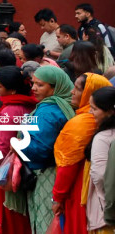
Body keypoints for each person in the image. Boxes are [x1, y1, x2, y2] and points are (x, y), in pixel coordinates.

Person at [52, 73, 112, 234]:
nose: (72, 92)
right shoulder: (97, 122)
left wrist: (58, 197)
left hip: (80, 189)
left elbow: (68, 166)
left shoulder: (83, 124)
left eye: (78, 89)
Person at [25, 66, 75, 234]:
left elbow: (40, 149)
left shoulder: (47, 111)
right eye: (33, 84)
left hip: (47, 175)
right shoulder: (68, 105)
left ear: (54, 88)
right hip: (62, 173)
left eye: (40, 85)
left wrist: (18, 144)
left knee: (46, 222)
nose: (33, 88)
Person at [0, 66, 36, 234]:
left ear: (12, 90)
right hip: (26, 171)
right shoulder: (30, 106)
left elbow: (1, 149)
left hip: (8, 173)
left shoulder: (9, 111)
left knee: (9, 219)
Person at [85, 86, 115, 234]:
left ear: (110, 111)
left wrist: (108, 205)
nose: (91, 112)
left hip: (105, 212)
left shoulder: (103, 138)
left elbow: (100, 176)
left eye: (94, 108)